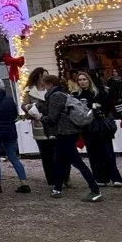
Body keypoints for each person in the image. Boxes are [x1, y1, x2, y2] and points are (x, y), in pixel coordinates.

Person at [39, 73, 101, 201]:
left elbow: (52, 118)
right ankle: (57, 188)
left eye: (45, 85)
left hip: (64, 133)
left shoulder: (55, 96)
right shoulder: (62, 94)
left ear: (49, 84)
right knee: (59, 160)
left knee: (75, 161)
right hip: (67, 132)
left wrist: (39, 117)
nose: (44, 88)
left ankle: (95, 189)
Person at [72, 71, 122, 187]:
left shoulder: (98, 93)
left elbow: (107, 107)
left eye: (84, 79)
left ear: (89, 80)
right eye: (80, 80)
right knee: (93, 153)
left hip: (100, 126)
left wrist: (96, 109)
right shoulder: (76, 95)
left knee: (108, 152)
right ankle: (100, 178)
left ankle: (115, 177)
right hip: (87, 128)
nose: (82, 82)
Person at [23, 66, 57, 189]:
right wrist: (33, 108)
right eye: (43, 76)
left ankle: (63, 176)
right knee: (46, 154)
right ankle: (51, 179)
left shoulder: (53, 90)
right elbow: (24, 105)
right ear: (38, 77)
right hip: (39, 125)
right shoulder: (29, 91)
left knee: (58, 153)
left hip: (54, 125)